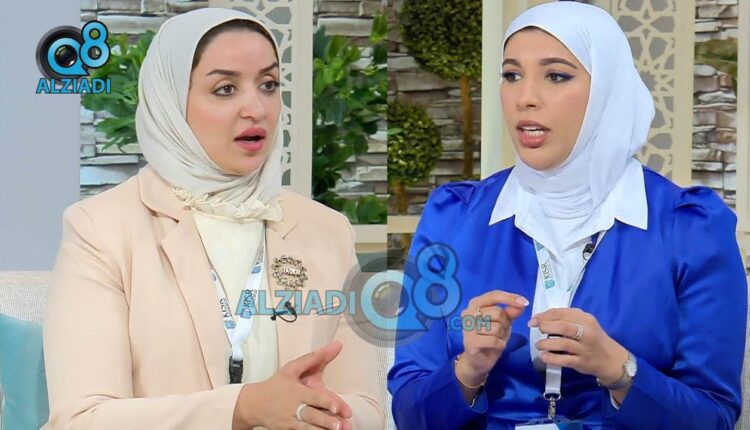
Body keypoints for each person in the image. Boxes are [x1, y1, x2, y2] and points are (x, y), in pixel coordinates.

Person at [387, 2, 747, 429]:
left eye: (556, 76)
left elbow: (713, 418)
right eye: (511, 75)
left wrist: (619, 370)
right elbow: (408, 414)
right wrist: (469, 370)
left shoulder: (690, 226)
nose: (525, 98)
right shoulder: (452, 218)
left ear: (606, 90)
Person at [43, 8, 384, 430]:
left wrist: (326, 415)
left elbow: (367, 406)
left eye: (268, 85)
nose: (256, 108)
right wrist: (243, 407)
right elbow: (81, 419)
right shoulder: (102, 229)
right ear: (171, 103)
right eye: (225, 89)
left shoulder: (327, 230)